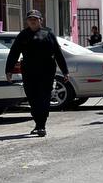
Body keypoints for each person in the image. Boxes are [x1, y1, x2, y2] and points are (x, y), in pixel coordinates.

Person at [5, 9, 69, 137]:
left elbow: (58, 53)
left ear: (41, 20)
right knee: (32, 98)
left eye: (35, 19)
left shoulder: (48, 34)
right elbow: (14, 53)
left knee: (44, 97)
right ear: (27, 21)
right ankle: (38, 123)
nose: (32, 21)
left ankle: (41, 125)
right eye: (30, 19)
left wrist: (65, 71)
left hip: (46, 71)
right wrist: (9, 70)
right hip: (29, 71)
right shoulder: (23, 35)